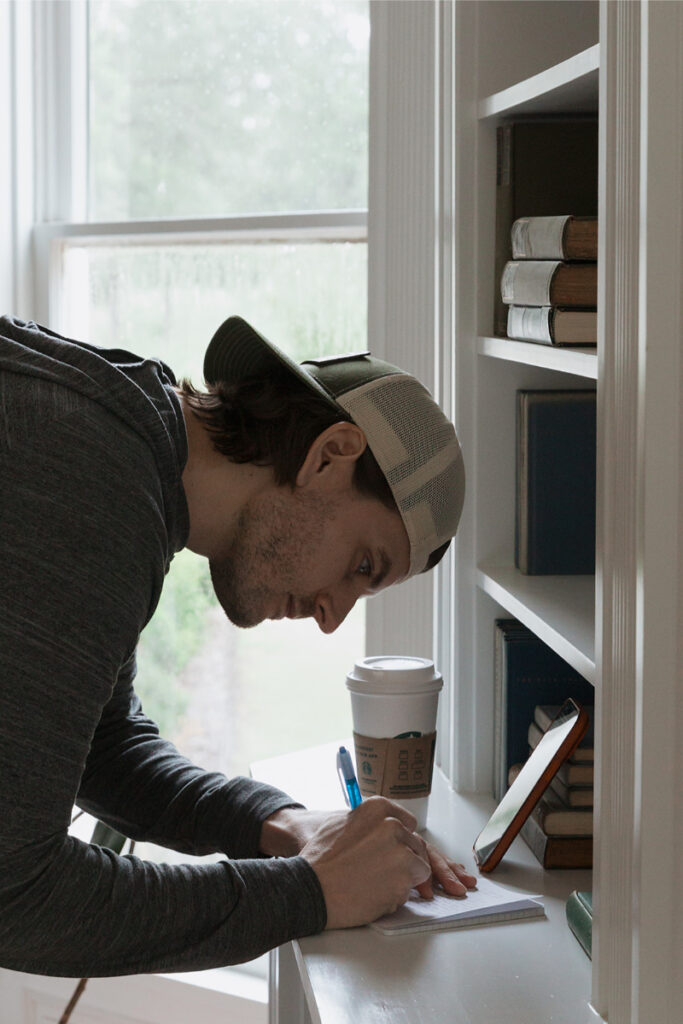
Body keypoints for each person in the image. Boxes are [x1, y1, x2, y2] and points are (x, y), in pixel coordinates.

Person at [0, 313, 474, 978]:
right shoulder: (90, 486)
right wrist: (308, 894)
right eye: (360, 566)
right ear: (328, 454)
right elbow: (15, 893)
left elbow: (101, 746)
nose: (330, 616)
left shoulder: (125, 430)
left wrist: (279, 822)